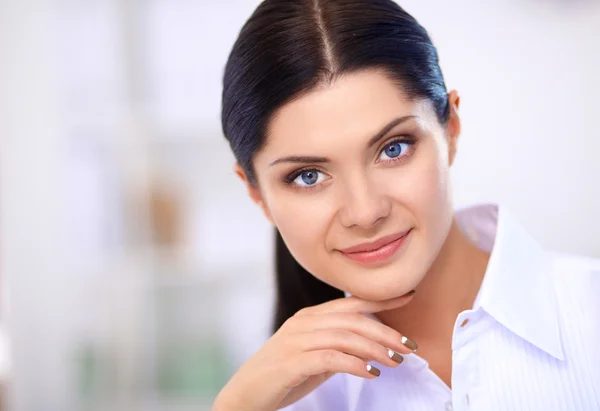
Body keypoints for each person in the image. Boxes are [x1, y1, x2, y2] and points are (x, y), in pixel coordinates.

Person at [212, 1, 600, 410]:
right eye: (308, 175)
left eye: (393, 149)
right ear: (257, 194)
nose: (365, 212)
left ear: (450, 128)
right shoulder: (277, 399)